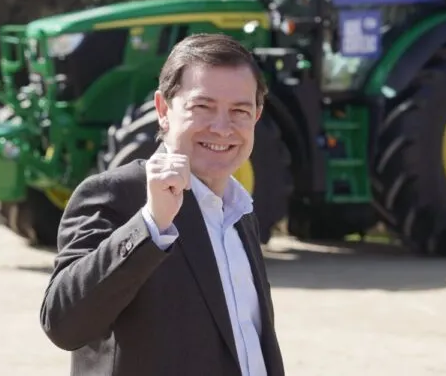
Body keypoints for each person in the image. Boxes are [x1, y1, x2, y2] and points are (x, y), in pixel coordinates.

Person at [39, 33, 285, 376]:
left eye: (239, 111)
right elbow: (63, 324)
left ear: (256, 116)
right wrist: (151, 224)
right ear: (163, 110)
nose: (222, 127)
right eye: (203, 107)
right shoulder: (115, 194)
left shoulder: (240, 212)